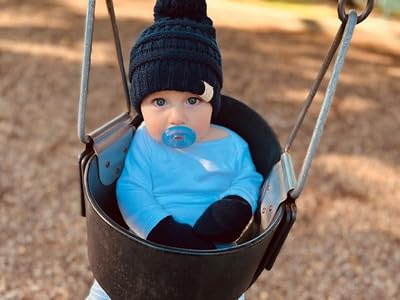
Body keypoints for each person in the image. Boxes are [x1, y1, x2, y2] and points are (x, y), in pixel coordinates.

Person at [86, 0, 262, 298]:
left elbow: (249, 179)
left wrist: (235, 205)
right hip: (147, 248)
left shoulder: (231, 143)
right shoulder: (144, 140)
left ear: (212, 103)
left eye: (193, 101)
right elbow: (132, 189)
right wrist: (163, 230)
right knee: (107, 291)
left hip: (212, 255)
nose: (177, 116)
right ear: (140, 105)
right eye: (159, 102)